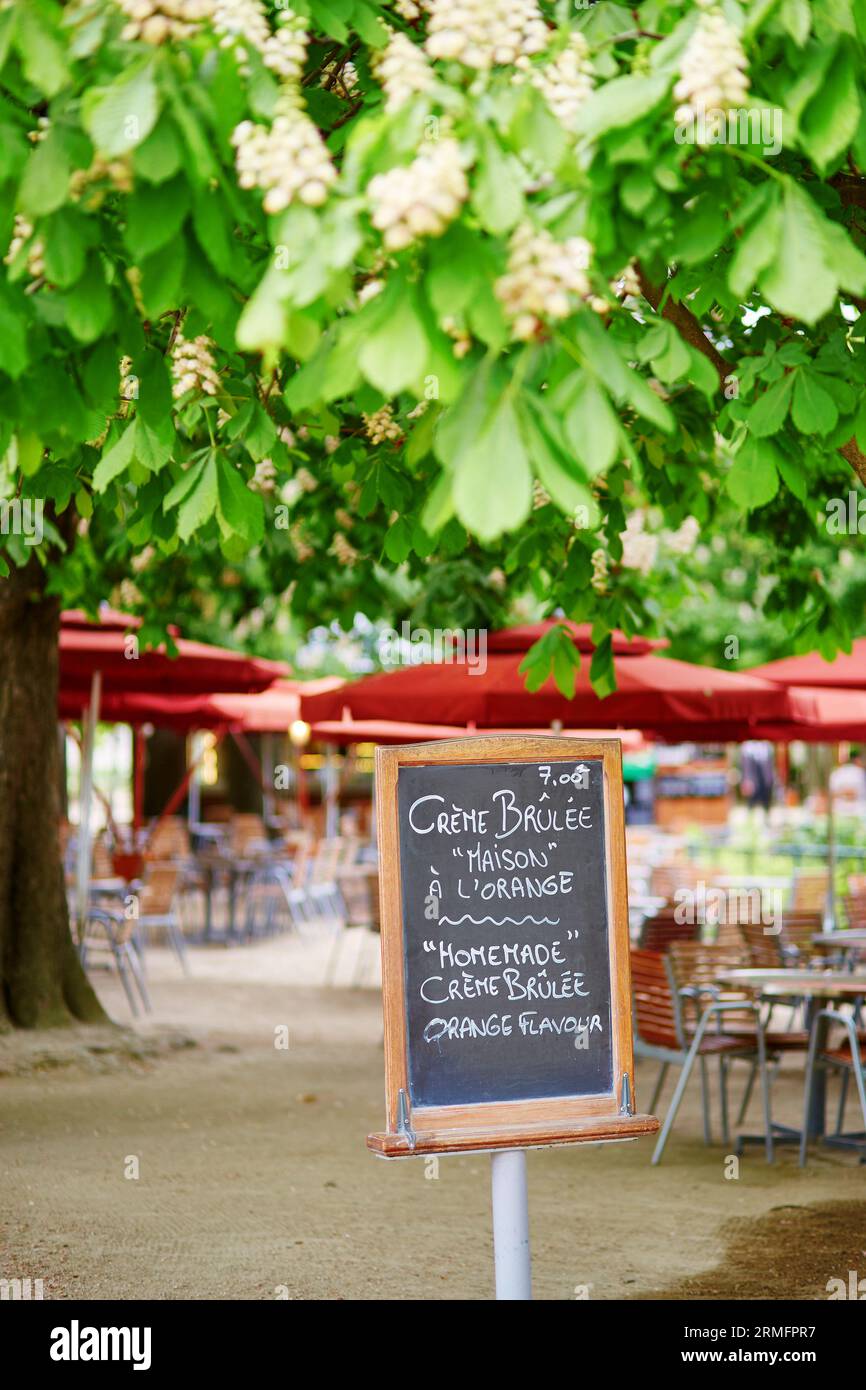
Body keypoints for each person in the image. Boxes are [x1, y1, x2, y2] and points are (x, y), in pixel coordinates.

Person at [740, 740, 776, 811]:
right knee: (751, 802)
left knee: (766, 802)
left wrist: (771, 779)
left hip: (765, 780)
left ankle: (766, 818)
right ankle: (750, 817)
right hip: (752, 780)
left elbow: (770, 765)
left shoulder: (766, 745)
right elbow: (745, 766)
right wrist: (746, 780)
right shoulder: (747, 746)